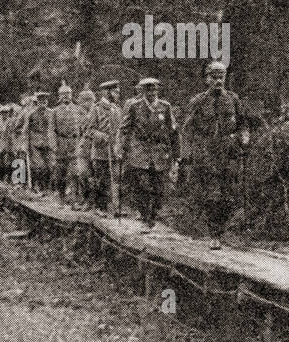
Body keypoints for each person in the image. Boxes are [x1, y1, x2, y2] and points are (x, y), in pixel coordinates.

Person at [181, 61, 249, 249]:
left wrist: (244, 139)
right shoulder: (198, 101)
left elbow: (243, 124)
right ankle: (214, 233)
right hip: (206, 152)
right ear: (207, 79)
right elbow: (187, 129)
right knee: (212, 194)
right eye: (214, 77)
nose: (218, 81)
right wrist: (187, 154)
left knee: (229, 193)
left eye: (221, 77)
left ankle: (222, 229)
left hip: (229, 152)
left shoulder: (234, 100)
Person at [116, 77, 179, 231]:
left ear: (158, 91)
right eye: (147, 90)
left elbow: (173, 132)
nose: (151, 93)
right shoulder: (135, 107)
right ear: (143, 91)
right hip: (140, 151)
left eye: (154, 90)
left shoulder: (165, 107)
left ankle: (153, 215)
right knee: (142, 186)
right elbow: (124, 129)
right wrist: (120, 147)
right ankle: (145, 218)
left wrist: (177, 154)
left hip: (159, 152)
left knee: (159, 188)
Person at [85, 79, 123, 214]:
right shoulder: (96, 108)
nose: (118, 95)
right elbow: (89, 130)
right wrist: (101, 136)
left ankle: (115, 207)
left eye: (118, 92)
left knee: (116, 178)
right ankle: (101, 208)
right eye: (115, 92)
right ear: (107, 93)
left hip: (115, 151)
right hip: (101, 151)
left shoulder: (118, 109)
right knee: (102, 180)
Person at [51, 83, 87, 205]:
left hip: (75, 143)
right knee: (60, 172)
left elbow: (84, 128)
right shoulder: (55, 111)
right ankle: (61, 196)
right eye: (63, 94)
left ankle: (74, 198)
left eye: (68, 94)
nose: (66, 96)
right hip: (61, 143)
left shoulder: (78, 109)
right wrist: (54, 145)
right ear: (59, 96)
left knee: (75, 172)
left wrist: (82, 143)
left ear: (72, 95)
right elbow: (51, 130)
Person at [22, 91, 56, 195]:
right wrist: (24, 144)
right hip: (35, 143)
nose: (43, 103)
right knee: (38, 166)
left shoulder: (51, 113)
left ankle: (47, 188)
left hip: (48, 143)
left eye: (45, 101)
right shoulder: (31, 114)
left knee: (50, 166)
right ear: (38, 102)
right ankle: (38, 186)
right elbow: (25, 130)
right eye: (41, 101)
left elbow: (55, 128)